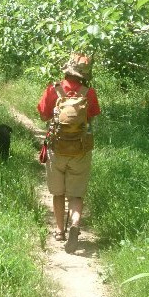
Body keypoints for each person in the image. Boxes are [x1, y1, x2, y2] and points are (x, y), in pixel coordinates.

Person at [37, 53, 101, 253]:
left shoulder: (53, 89)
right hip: (80, 150)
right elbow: (92, 116)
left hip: (57, 148)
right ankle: (74, 225)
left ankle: (59, 231)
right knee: (76, 194)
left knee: (58, 193)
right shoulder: (89, 92)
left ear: (67, 70)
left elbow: (43, 115)